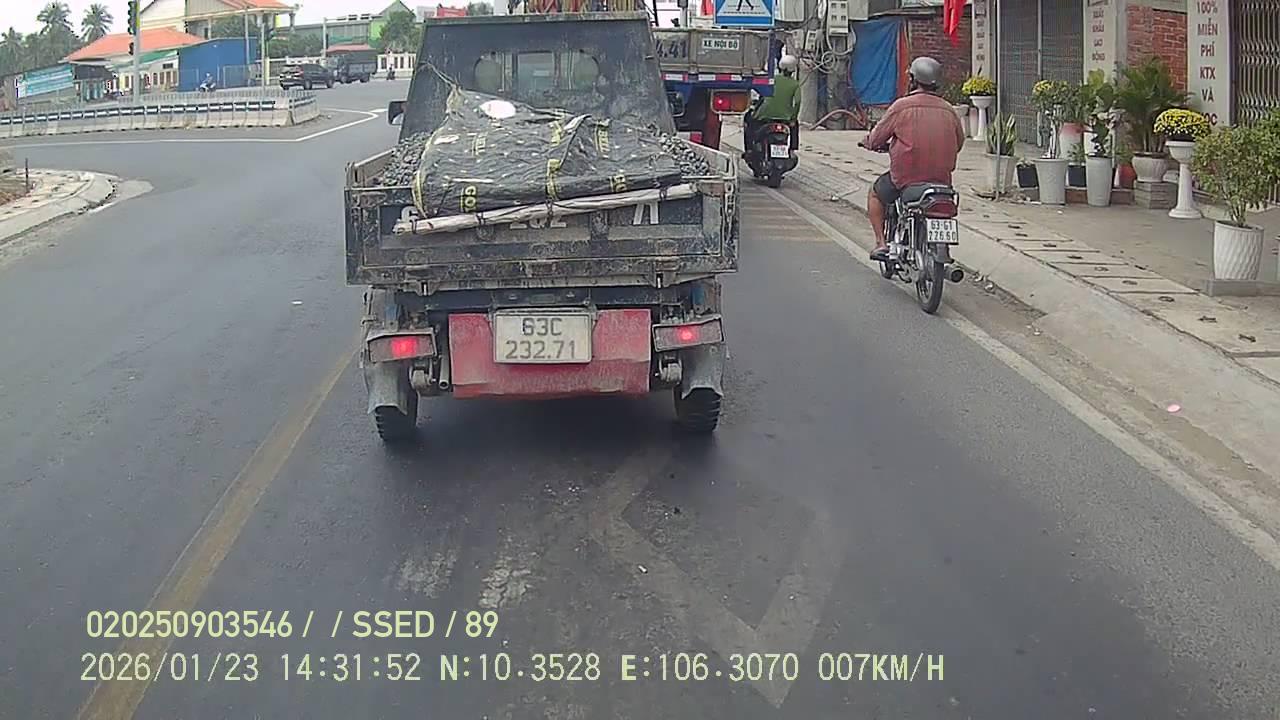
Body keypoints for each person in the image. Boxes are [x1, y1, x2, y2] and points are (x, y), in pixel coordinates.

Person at [861, 56, 966, 262]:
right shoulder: (949, 110)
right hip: (942, 181)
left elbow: (875, 139)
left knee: (875, 193)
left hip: (906, 179)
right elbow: (959, 143)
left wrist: (867, 141)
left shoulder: (901, 107)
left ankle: (881, 244)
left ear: (913, 80)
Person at [743, 54, 801, 157]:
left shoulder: (771, 79)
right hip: (785, 118)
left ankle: (749, 149)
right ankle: (792, 149)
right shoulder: (795, 84)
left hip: (764, 116)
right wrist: (793, 118)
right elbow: (797, 102)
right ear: (793, 70)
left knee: (748, 121)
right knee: (795, 125)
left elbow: (760, 94)